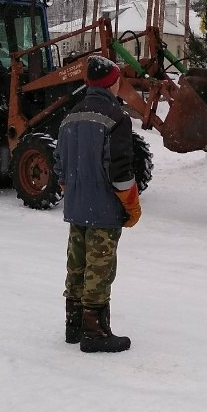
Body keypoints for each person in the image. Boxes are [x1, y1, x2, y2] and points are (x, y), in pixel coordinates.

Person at [54, 54, 141, 353]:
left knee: (76, 266)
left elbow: (60, 169)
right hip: (103, 212)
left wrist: (76, 192)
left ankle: (73, 325)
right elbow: (119, 172)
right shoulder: (117, 118)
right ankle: (95, 333)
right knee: (99, 270)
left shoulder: (70, 117)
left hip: (76, 209)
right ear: (112, 83)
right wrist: (131, 205)